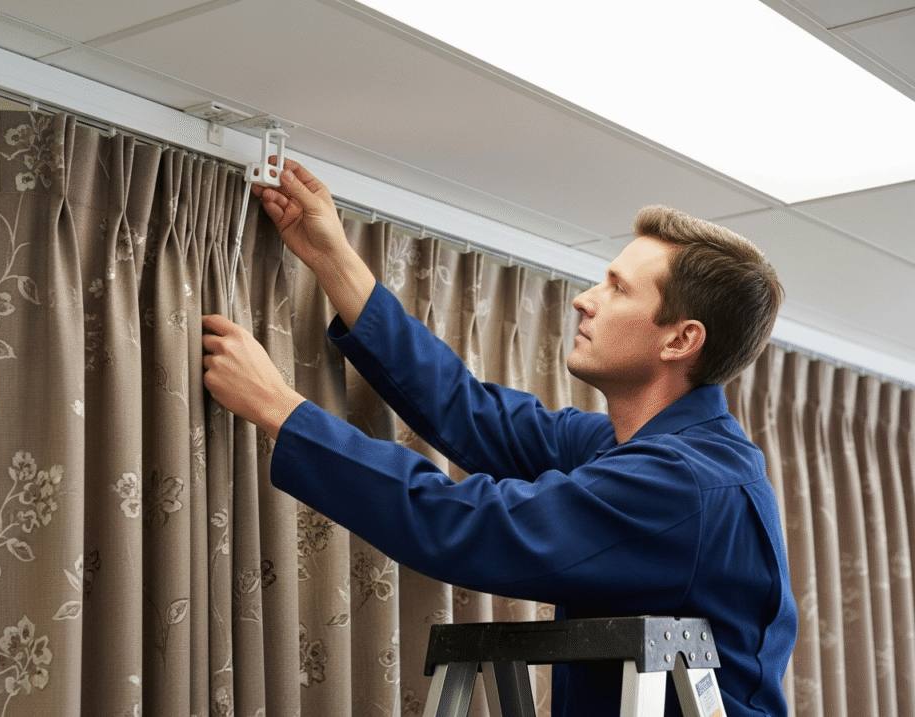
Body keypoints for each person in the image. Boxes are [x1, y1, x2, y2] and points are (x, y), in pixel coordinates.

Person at [201, 160, 798, 716]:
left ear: (679, 340)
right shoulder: (628, 451)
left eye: (617, 288)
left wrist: (282, 409)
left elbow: (470, 524)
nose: (585, 300)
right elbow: (471, 412)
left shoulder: (683, 484)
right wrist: (334, 259)